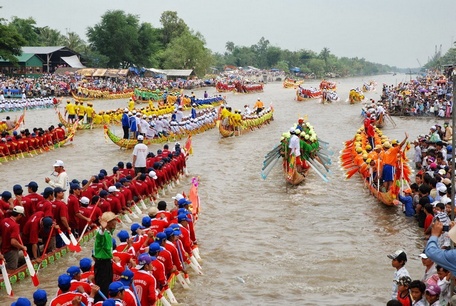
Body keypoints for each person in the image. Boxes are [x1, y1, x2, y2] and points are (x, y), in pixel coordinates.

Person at [94, 211, 118, 302]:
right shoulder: (102, 233)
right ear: (109, 223)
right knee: (103, 287)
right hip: (102, 265)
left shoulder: (109, 232)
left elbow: (111, 230)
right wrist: (102, 228)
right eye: (114, 220)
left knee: (107, 285)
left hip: (107, 262)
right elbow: (100, 237)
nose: (115, 222)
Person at [1, 206, 26, 270]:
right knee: (12, 269)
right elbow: (13, 242)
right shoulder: (15, 226)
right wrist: (22, 247)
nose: (21, 217)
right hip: (11, 251)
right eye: (21, 216)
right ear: (19, 215)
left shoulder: (4, 220)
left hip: (3, 249)